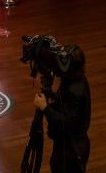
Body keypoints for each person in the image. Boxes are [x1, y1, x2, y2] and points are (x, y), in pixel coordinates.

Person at [33, 45, 91, 173]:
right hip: (72, 144)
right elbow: (66, 107)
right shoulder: (77, 79)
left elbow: (67, 122)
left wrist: (45, 107)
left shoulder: (74, 91)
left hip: (71, 150)